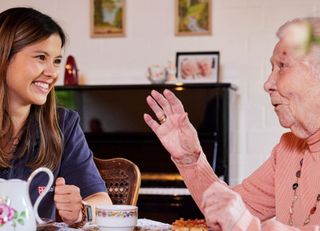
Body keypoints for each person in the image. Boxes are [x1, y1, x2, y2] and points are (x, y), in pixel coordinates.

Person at [144, 17, 320, 230]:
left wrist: (246, 225)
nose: (267, 84)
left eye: (282, 66)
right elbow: (230, 211)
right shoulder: (288, 149)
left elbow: (242, 222)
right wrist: (190, 160)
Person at [0, 7, 111, 227]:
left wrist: (80, 211)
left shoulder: (63, 124)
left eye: (57, 61)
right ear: (4, 56)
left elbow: (102, 203)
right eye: (41, 57)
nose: (52, 73)